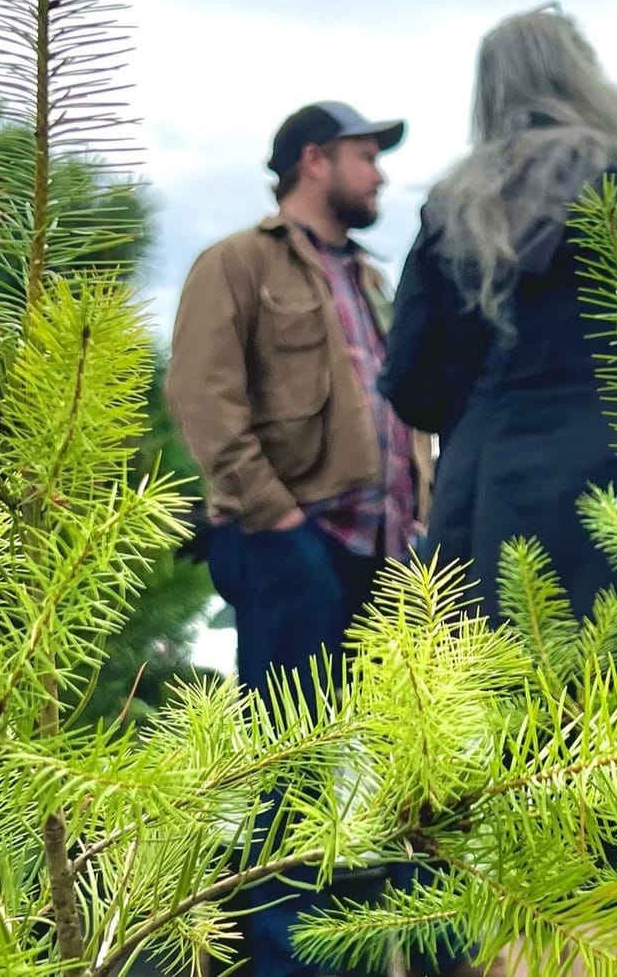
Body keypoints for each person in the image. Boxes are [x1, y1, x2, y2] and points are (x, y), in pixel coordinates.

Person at [378, 4, 617, 678]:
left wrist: (479, 402)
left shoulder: (450, 210)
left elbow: (409, 381)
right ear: (583, 78)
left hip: (487, 506)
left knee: (500, 739)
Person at [167, 100, 448, 977]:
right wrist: (275, 516)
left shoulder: (370, 278)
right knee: (293, 776)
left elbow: (403, 409)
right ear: (315, 160)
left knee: (418, 766)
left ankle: (418, 949)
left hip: (392, 556)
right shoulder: (237, 263)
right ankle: (296, 965)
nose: (383, 174)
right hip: (297, 549)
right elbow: (203, 397)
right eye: (369, 156)